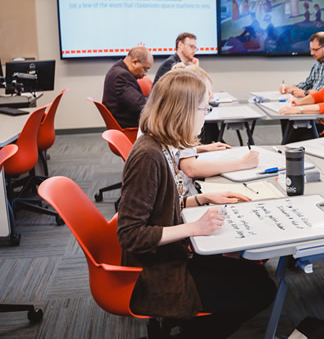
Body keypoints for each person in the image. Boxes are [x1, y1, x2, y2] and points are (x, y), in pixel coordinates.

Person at [117, 69, 276, 338]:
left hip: (172, 254)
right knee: (262, 290)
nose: (206, 115)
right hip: (158, 270)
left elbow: (162, 205)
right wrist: (195, 228)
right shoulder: (148, 156)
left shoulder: (163, 145)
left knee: (255, 276)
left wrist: (200, 198)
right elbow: (130, 234)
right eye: (204, 109)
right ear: (184, 111)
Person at [169, 63, 259, 195]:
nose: (211, 97)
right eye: (208, 92)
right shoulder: (180, 121)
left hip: (183, 198)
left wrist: (199, 148)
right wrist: (242, 163)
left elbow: (175, 152)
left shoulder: (171, 113)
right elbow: (191, 168)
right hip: (184, 200)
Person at [102, 46, 152, 129]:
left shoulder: (118, 70)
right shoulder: (121, 76)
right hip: (128, 126)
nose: (145, 74)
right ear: (135, 62)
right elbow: (140, 105)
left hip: (124, 120)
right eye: (145, 69)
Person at [280, 32, 324, 98]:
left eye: (315, 50)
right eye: (311, 49)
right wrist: (291, 88)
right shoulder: (316, 63)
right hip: (313, 100)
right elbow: (308, 83)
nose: (311, 53)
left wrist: (306, 93)